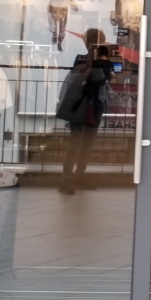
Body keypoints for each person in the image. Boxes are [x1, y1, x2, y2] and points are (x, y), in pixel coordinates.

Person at [60, 30, 113, 194]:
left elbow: (109, 80)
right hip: (81, 105)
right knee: (76, 144)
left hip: (94, 106)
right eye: (92, 42)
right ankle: (67, 180)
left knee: (86, 145)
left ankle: (78, 177)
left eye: (98, 42)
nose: (95, 45)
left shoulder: (103, 62)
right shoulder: (81, 59)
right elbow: (82, 77)